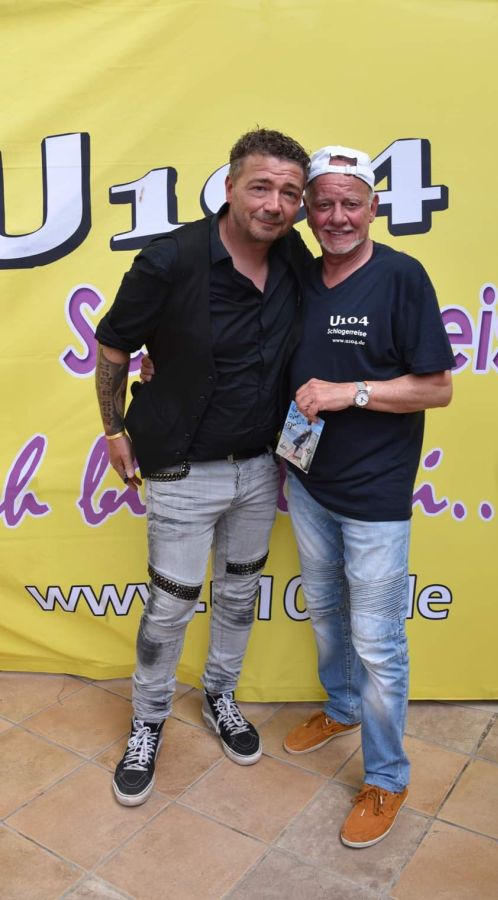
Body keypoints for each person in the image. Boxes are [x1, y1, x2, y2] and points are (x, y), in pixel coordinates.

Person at [94, 128, 311, 806]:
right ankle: (148, 721)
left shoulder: (293, 256)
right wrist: (113, 429)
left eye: (289, 193)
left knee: (240, 595)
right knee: (169, 607)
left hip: (260, 468)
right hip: (183, 470)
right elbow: (114, 347)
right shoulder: (169, 260)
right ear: (229, 186)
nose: (274, 204)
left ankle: (220, 696)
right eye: (260, 186)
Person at [282, 146, 455, 848]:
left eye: (350, 202)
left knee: (378, 642)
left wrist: (348, 392)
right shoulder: (300, 274)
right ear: (307, 211)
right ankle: (342, 706)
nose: (336, 216)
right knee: (326, 612)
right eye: (322, 203)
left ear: (373, 208)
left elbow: (436, 388)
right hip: (307, 482)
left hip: (375, 497)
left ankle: (386, 777)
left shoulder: (400, 276)